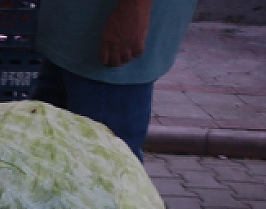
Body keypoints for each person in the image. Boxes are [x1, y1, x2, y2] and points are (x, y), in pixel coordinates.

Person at [33, 0, 200, 158]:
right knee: (47, 153)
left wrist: (134, 9)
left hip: (106, 38)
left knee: (103, 163)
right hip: (73, 31)